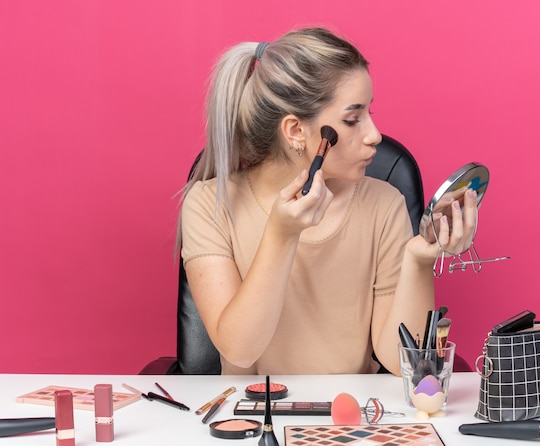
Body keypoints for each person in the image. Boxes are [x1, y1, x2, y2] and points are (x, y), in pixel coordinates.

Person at [180, 27, 477, 375]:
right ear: (295, 132)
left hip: (353, 416)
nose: (374, 135)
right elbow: (240, 350)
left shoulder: (384, 204)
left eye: (369, 114)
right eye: (352, 120)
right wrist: (281, 234)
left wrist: (419, 258)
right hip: (254, 415)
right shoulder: (208, 205)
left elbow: (402, 363)